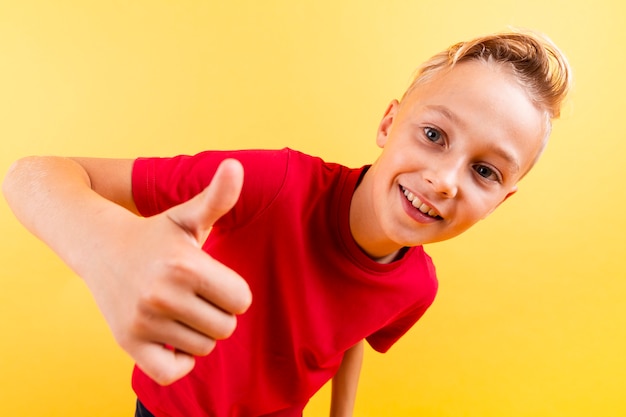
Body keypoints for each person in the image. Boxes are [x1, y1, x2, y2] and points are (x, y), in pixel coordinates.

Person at [2, 29, 571, 417]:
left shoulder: (418, 286)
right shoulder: (272, 184)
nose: (446, 179)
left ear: (502, 200)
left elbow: (353, 330)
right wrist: (111, 249)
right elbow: (35, 173)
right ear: (388, 122)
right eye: (433, 134)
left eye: (485, 171)